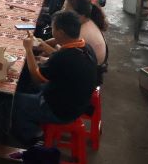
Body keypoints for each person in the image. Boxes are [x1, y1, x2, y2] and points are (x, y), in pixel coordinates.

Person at [12, 10, 99, 145]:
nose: (51, 31)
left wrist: (28, 49)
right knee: (27, 85)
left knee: (12, 101)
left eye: (53, 28)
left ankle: (32, 137)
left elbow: (36, 78)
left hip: (59, 111)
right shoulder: (86, 47)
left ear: (60, 32)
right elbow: (59, 57)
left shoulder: (64, 57)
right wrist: (43, 46)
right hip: (77, 104)